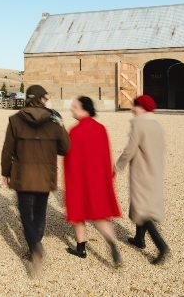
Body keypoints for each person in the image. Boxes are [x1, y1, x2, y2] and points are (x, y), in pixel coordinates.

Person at [1, 85, 70, 263]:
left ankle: (35, 247)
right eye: (45, 98)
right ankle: (36, 244)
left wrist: (6, 172)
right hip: (45, 175)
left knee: (25, 214)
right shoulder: (54, 119)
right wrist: (61, 127)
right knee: (40, 211)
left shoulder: (15, 119)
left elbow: (7, 150)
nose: (47, 101)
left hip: (23, 174)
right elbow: (65, 148)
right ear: (40, 98)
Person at [63, 96, 122, 266]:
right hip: (97, 180)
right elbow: (106, 155)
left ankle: (81, 248)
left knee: (78, 214)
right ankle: (112, 244)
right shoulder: (100, 128)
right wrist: (108, 176)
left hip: (80, 180)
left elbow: (69, 158)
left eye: (75, 106)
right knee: (100, 215)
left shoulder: (75, 131)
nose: (72, 109)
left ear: (84, 109)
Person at [115, 94, 171, 264]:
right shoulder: (157, 125)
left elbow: (130, 149)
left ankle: (161, 246)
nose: (132, 109)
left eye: (134, 106)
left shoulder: (138, 124)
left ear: (141, 107)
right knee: (143, 203)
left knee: (142, 209)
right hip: (155, 170)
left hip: (142, 170)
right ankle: (139, 239)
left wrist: (117, 167)